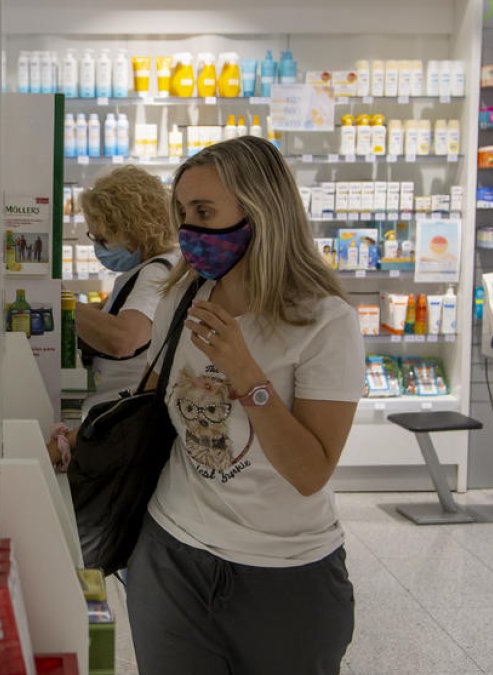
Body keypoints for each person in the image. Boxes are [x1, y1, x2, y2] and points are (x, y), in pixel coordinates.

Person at [126, 136, 364, 673]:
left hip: (285, 574)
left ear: (261, 211)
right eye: (184, 213)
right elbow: (148, 406)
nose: (189, 231)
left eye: (205, 212)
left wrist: (246, 375)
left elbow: (309, 472)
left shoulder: (324, 321)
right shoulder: (180, 297)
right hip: (172, 555)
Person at [74, 165, 180, 416]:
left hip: (121, 415)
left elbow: (124, 340)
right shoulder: (165, 263)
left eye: (104, 239)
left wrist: (63, 302)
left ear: (135, 231)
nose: (99, 248)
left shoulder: (155, 273)